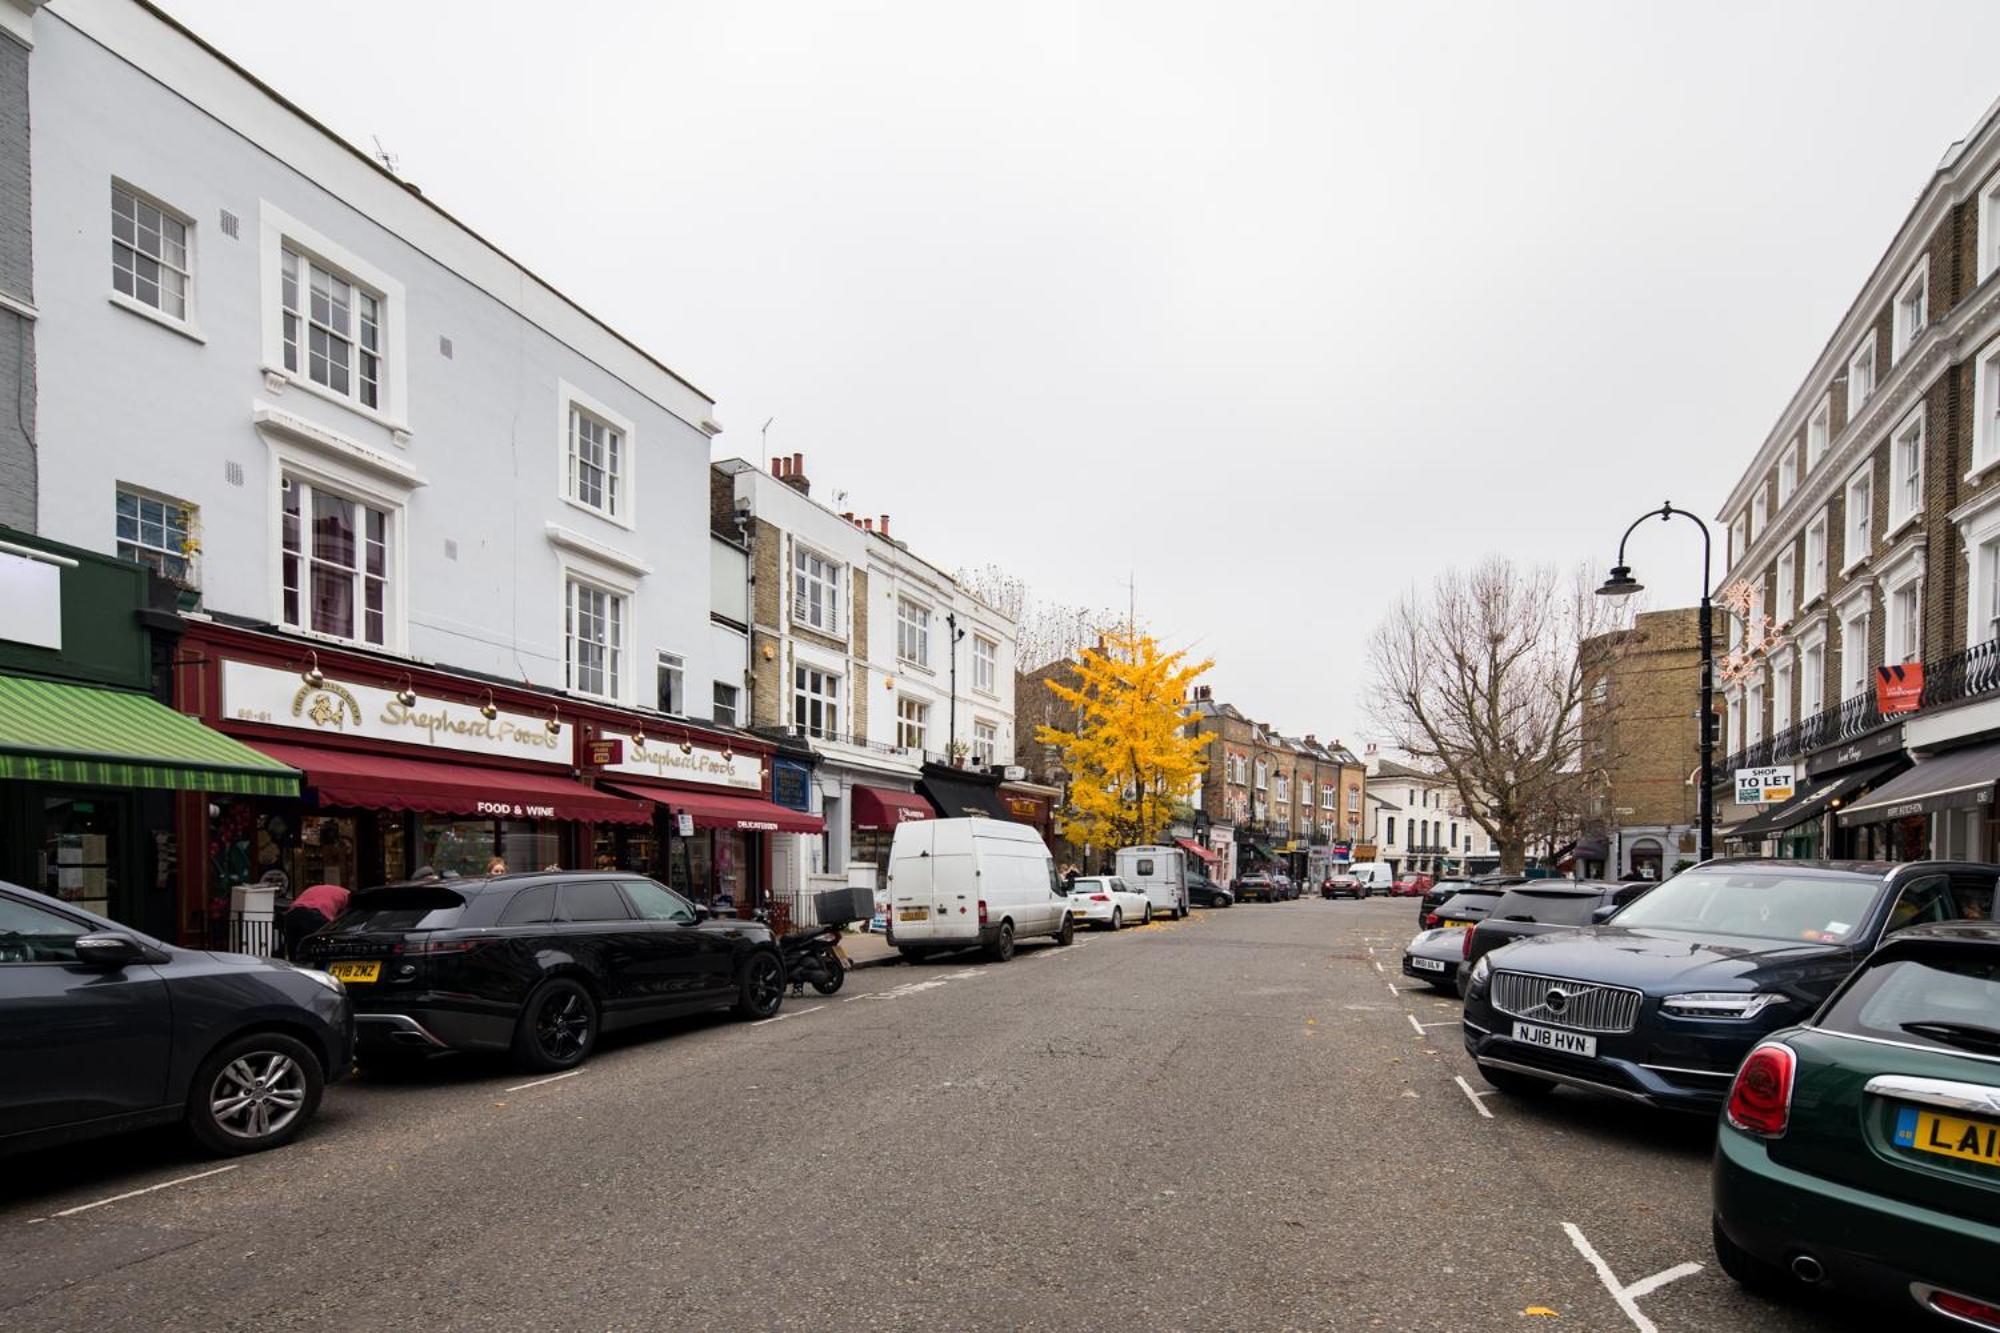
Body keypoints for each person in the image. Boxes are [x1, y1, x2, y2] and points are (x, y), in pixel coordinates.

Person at [284, 880, 349, 959]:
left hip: (293, 914)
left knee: (294, 948)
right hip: (315, 914)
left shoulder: (318, 889)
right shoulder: (347, 894)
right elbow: (346, 917)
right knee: (320, 946)